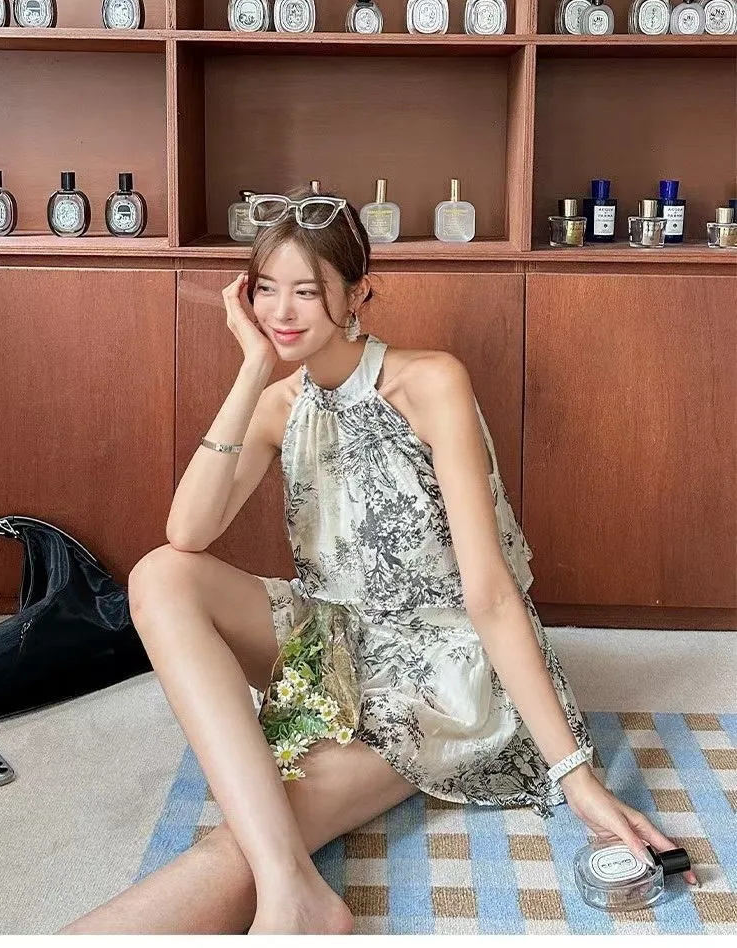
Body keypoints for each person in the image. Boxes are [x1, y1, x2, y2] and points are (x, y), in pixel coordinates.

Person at [58, 183, 697, 935]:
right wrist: (251, 370)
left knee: (255, 833)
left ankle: (290, 898)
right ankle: (294, 891)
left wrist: (578, 777)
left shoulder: (430, 382)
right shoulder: (278, 404)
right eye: (266, 289)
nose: (282, 311)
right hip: (335, 641)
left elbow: (490, 594)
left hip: (441, 665)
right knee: (160, 574)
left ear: (358, 293)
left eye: (306, 291)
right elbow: (187, 532)